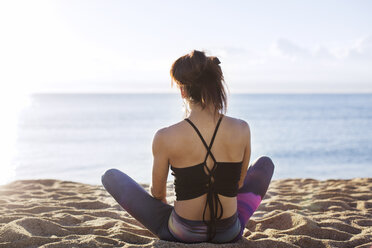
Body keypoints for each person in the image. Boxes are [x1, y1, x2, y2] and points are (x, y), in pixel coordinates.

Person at [101, 50, 275, 243]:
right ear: (216, 86)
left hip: (184, 232)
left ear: (183, 90)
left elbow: (158, 194)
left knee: (111, 177)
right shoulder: (243, 129)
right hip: (229, 231)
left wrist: (169, 211)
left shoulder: (165, 136)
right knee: (265, 164)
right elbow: (239, 184)